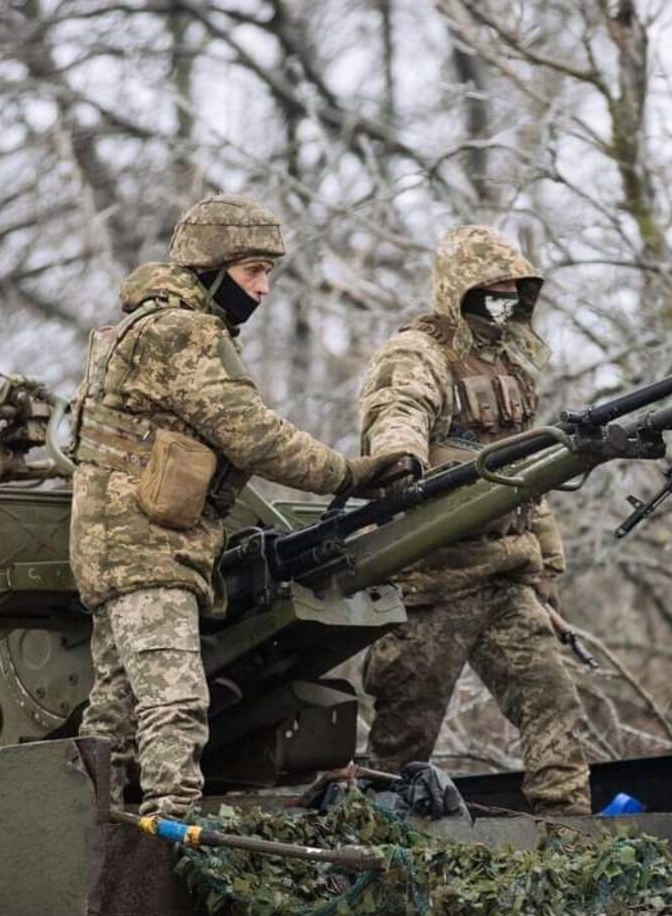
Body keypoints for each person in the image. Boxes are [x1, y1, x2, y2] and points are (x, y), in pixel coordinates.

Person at [69, 194, 415, 819]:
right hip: (145, 550)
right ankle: (170, 833)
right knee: (174, 703)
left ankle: (87, 828)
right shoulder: (182, 332)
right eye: (253, 271)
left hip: (125, 547)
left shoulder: (149, 325)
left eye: (268, 273)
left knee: (114, 713)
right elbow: (253, 436)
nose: (263, 288)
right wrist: (349, 474)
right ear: (210, 267)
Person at [355, 225, 591, 815]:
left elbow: (530, 482)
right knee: (403, 738)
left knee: (553, 703)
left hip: (504, 574)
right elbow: (398, 412)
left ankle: (569, 832)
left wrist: (546, 576)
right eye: (491, 293)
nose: (503, 305)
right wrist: (401, 458)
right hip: (432, 579)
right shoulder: (418, 355)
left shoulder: (511, 368)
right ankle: (372, 837)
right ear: (459, 290)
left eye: (513, 293)